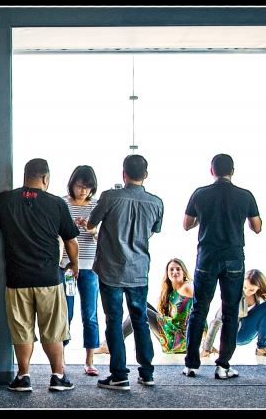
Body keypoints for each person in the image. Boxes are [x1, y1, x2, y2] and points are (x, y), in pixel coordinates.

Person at [0, 158, 78, 393]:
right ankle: (57, 377)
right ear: (46, 178)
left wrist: (1, 200)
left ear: (25, 176)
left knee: (21, 329)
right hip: (48, 279)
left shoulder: (6, 200)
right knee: (53, 329)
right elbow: (71, 240)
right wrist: (74, 265)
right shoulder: (56, 203)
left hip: (17, 279)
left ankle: (23, 377)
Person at [82, 154, 163, 391]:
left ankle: (119, 375)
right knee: (140, 321)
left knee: (114, 321)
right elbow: (153, 231)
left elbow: (90, 225)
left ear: (123, 173)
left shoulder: (109, 197)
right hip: (138, 270)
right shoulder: (156, 202)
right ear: (145, 175)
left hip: (110, 270)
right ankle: (147, 373)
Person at [181, 153, 262, 380]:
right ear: (232, 171)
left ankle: (191, 365)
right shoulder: (245, 196)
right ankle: (223, 365)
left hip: (207, 257)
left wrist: (203, 218)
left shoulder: (200, 194)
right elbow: (257, 227)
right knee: (230, 313)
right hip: (234, 258)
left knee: (199, 310)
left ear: (212, 171)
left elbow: (187, 225)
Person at [95, 258, 195, 355]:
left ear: (184, 272)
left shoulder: (187, 288)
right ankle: (111, 342)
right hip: (170, 331)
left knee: (140, 311)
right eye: (171, 269)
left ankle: (110, 344)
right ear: (167, 273)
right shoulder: (172, 289)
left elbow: (198, 312)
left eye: (178, 269)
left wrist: (203, 341)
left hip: (177, 339)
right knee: (141, 305)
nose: (175, 272)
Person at [59, 165, 101, 376]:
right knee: (66, 313)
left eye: (87, 187)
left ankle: (90, 360)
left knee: (90, 314)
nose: (83, 191)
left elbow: (101, 238)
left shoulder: (96, 205)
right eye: (80, 186)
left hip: (90, 267)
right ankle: (62, 358)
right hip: (65, 265)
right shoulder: (63, 203)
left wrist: (91, 229)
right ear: (73, 184)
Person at [200, 269, 266, 357]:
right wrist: (207, 347)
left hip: (249, 329)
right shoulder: (234, 295)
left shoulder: (260, 291)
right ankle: (261, 347)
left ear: (259, 287)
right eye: (245, 287)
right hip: (238, 334)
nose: (247, 291)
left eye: (251, 290)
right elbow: (216, 322)